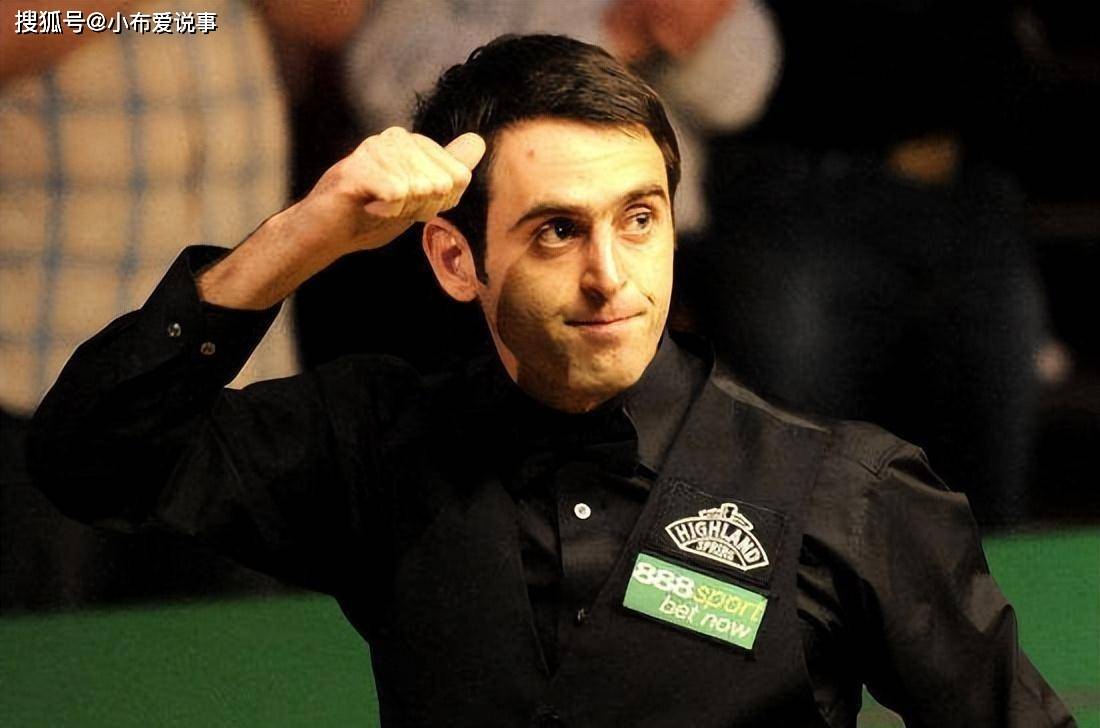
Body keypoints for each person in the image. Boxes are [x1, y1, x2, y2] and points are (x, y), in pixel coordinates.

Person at [28, 35, 1075, 727]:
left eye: (638, 218)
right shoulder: (375, 443)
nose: (609, 274)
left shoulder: (845, 491)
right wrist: (303, 236)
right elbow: (89, 455)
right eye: (555, 231)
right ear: (455, 260)